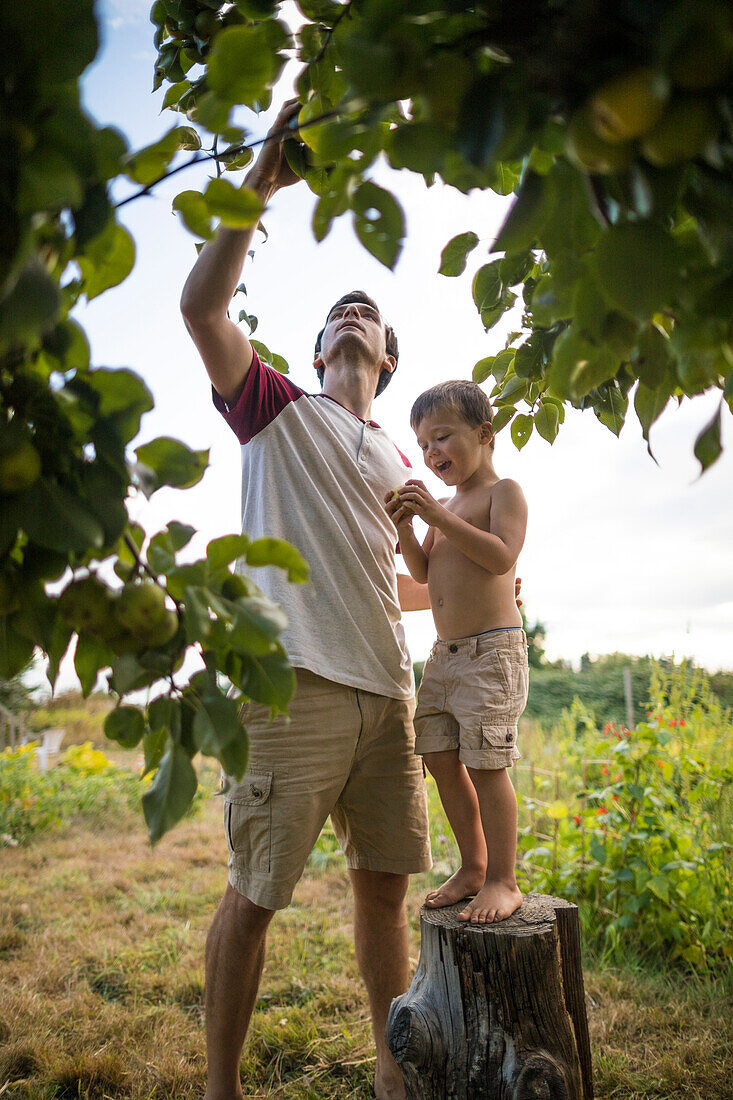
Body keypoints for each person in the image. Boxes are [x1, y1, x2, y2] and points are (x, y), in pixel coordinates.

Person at [180, 100, 432, 1100]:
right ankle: (221, 1086)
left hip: (390, 694)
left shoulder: (399, 455)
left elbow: (385, 579)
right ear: (319, 343)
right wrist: (261, 183)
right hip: (294, 685)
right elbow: (202, 308)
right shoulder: (276, 409)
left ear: (390, 358)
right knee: (256, 892)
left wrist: (473, 586)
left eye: (370, 313)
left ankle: (389, 1062)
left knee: (385, 889)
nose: (354, 312)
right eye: (340, 310)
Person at [385, 379, 529, 925]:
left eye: (442, 437)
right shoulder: (445, 504)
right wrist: (406, 526)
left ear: (484, 433)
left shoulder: (502, 493)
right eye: (422, 444)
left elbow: (500, 558)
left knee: (487, 765)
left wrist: (438, 518)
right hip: (444, 656)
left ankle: (503, 879)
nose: (430, 453)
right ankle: (473, 867)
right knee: (442, 758)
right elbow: (423, 573)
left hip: (492, 654)